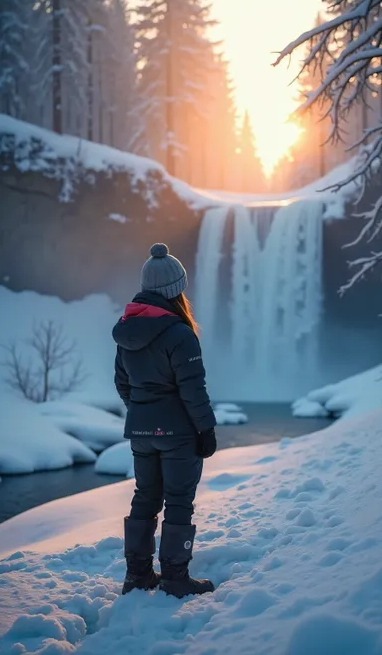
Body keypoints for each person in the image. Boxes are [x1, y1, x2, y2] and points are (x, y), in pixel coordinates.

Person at [112, 243, 217, 598]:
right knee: (178, 501)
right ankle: (174, 578)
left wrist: (141, 412)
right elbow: (193, 389)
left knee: (145, 497)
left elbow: (122, 382)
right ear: (176, 290)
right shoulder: (179, 333)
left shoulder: (127, 330)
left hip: (141, 432)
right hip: (177, 434)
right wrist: (205, 428)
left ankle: (138, 576)